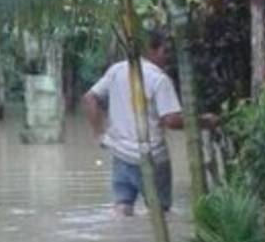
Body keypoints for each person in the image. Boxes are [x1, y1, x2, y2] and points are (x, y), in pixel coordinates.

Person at [82, 29, 214, 216]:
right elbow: (171, 121)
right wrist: (204, 121)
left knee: (122, 209)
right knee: (160, 213)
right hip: (153, 158)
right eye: (165, 51)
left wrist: (99, 135)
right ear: (153, 51)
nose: (167, 56)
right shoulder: (159, 79)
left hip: (120, 155)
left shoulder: (117, 70)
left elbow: (89, 98)